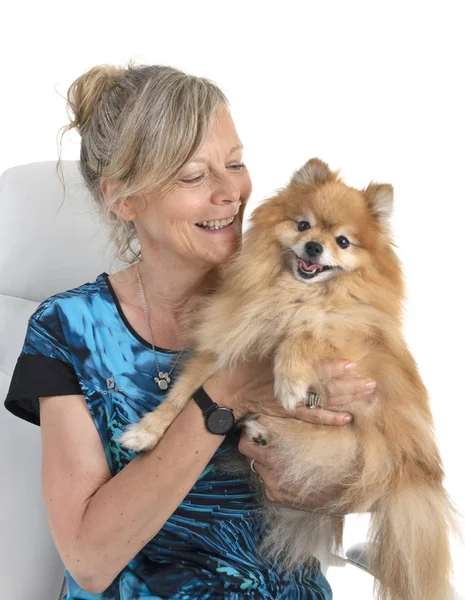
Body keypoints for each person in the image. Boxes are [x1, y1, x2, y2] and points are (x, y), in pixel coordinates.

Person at [4, 64, 376, 600]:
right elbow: (90, 559)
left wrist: (331, 482)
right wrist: (222, 393)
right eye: (193, 177)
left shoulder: (303, 289)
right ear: (123, 199)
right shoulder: (69, 330)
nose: (231, 193)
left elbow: (372, 475)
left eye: (236, 163)